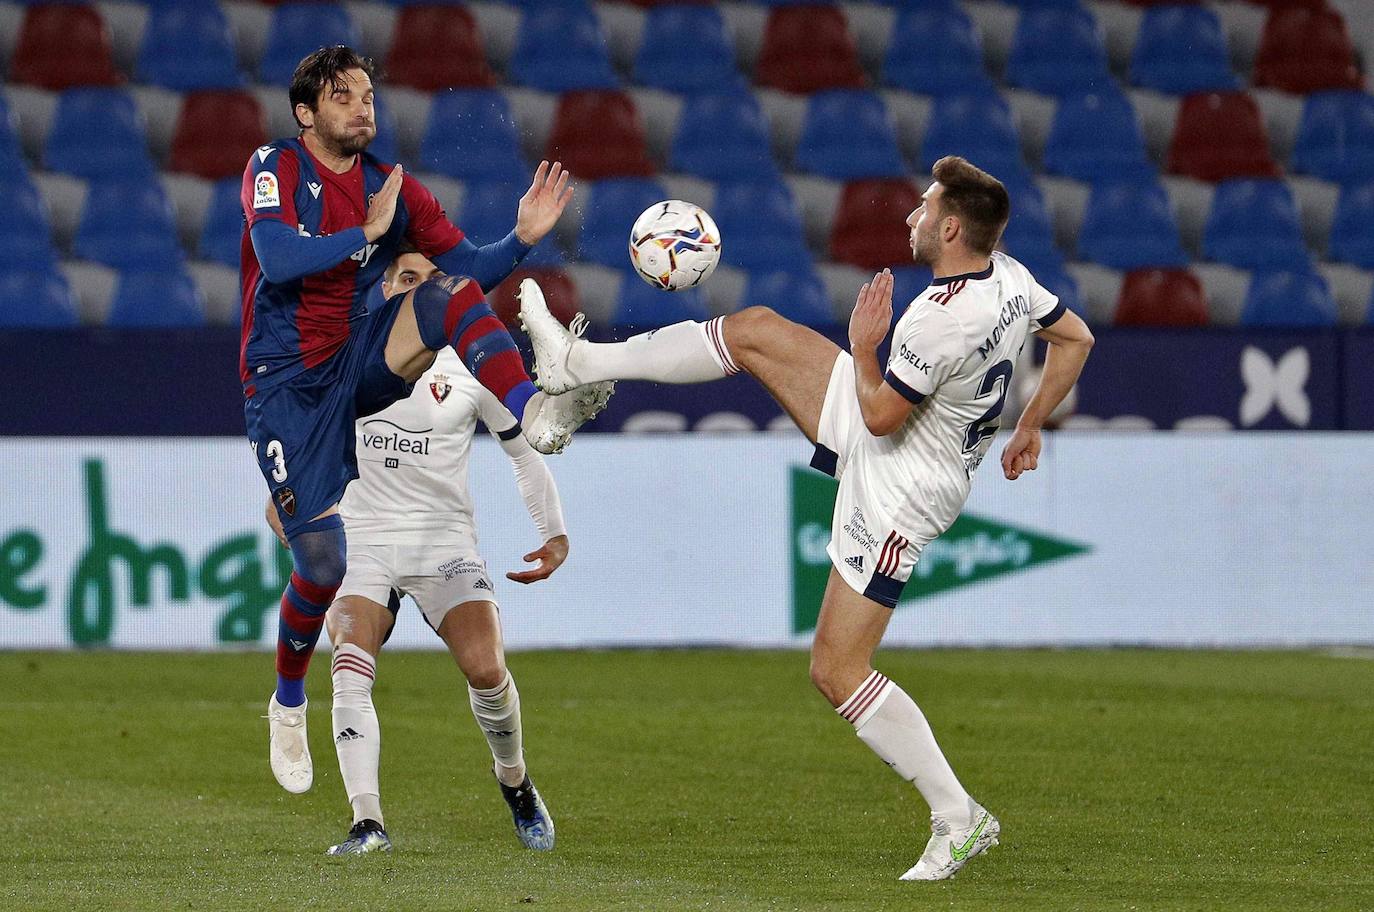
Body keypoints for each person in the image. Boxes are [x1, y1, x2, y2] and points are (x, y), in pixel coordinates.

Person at [516, 156, 1095, 881]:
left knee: (836, 669)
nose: (912, 216)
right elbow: (1076, 339)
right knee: (757, 330)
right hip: (912, 445)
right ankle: (574, 362)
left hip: (899, 487)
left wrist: (861, 345)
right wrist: (1030, 424)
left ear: (951, 227)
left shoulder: (938, 320)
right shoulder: (1008, 276)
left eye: (925, 207)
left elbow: (881, 419)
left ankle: (959, 817)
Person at [243, 46, 604, 795]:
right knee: (323, 565)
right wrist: (368, 238)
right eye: (342, 95)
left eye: (368, 93)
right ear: (306, 112)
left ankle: (536, 410)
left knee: (449, 297)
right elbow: (276, 259)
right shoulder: (274, 166)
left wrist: (524, 239)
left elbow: (469, 263)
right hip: (284, 384)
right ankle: (285, 701)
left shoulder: (392, 189)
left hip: (352, 357)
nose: (362, 105)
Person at [267, 250, 595, 855]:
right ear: (387, 289)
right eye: (406, 280)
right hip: (361, 538)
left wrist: (554, 532)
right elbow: (296, 442)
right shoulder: (346, 359)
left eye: (428, 282)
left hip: (444, 539)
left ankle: (515, 782)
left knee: (486, 669)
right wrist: (285, 503)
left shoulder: (473, 366)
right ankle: (367, 822)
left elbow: (524, 452)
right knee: (348, 655)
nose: (419, 292)